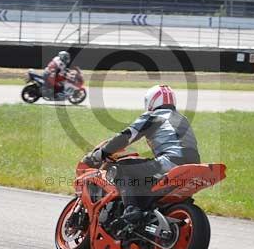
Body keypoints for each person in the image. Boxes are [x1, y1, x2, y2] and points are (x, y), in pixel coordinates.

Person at [82, 84, 200, 234]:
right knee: (144, 176)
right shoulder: (182, 119)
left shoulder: (153, 116)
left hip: (170, 162)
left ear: (151, 101)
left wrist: (101, 153)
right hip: (192, 165)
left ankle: (131, 211)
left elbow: (126, 136)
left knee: (121, 168)